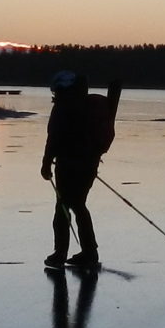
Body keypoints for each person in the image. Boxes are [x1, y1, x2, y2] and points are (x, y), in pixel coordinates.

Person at [39, 69, 121, 272]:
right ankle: (89, 252)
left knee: (63, 208)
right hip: (89, 164)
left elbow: (54, 138)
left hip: (68, 165)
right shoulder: (91, 104)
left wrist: (46, 163)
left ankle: (60, 254)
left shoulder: (63, 108)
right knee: (78, 205)